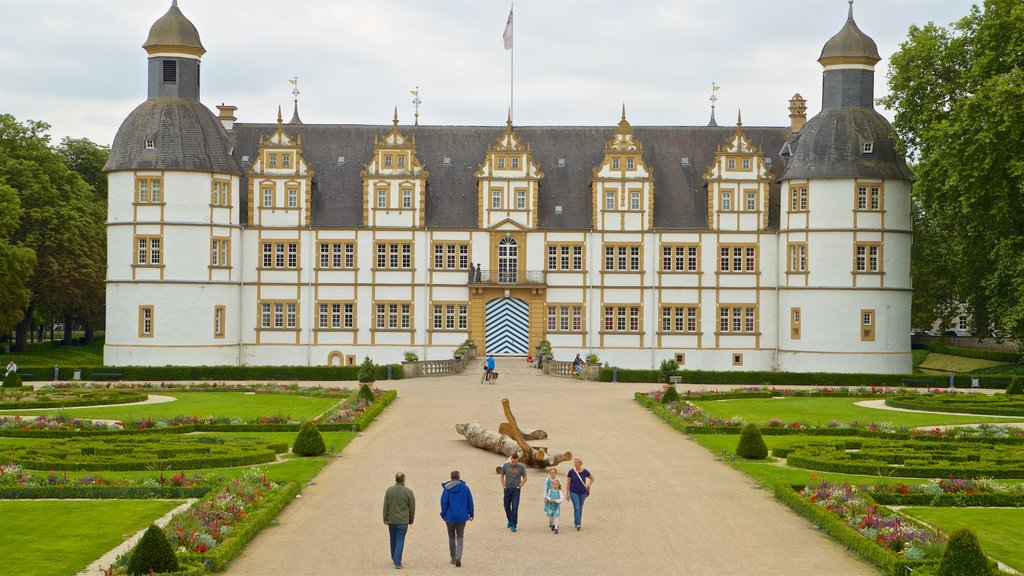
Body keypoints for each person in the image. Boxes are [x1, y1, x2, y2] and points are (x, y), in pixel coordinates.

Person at [440, 470, 474, 568]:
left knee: (451, 537)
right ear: (459, 477)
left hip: (450, 517)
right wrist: (471, 514)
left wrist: (444, 514)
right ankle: (459, 557)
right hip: (462, 517)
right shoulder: (465, 488)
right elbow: (470, 502)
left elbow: (443, 502)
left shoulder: (447, 489)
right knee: (460, 537)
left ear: (451, 478)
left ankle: (453, 558)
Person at [383, 471, 416, 569]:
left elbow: (386, 505)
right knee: (400, 539)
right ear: (404, 479)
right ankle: (397, 561)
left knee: (393, 539)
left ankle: (394, 557)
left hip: (392, 520)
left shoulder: (389, 490)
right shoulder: (408, 492)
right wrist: (411, 518)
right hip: (403, 521)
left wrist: (385, 517)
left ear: (395, 479)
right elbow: (412, 506)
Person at [499, 453, 527, 532]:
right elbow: (501, 475)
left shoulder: (521, 467)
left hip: (516, 489)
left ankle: (514, 524)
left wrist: (520, 485)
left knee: (515, 507)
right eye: (513, 461)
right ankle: (510, 520)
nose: (514, 463)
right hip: (507, 488)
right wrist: (503, 485)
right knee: (506, 505)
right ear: (511, 459)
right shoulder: (506, 465)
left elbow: (525, 478)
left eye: (516, 462)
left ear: (518, 460)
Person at [566, 457, 595, 531]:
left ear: (580, 463)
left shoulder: (585, 471)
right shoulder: (571, 472)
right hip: (573, 492)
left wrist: (589, 485)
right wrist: (567, 494)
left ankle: (577, 521)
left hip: (583, 492)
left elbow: (592, 478)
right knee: (577, 507)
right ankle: (578, 524)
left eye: (577, 462)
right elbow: (568, 484)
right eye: (575, 462)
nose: (575, 463)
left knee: (580, 507)